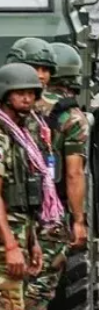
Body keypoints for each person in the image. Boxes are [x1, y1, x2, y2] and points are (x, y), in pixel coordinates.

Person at [25, 43, 89, 310]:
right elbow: (74, 174)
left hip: (13, 211)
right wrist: (79, 221)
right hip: (50, 213)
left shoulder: (13, 106)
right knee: (39, 291)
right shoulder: (71, 116)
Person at [0, 63, 50, 304]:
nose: (27, 98)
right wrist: (10, 246)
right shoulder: (2, 137)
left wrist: (33, 243)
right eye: (20, 93)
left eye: (31, 93)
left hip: (20, 234)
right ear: (6, 95)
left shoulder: (21, 135)